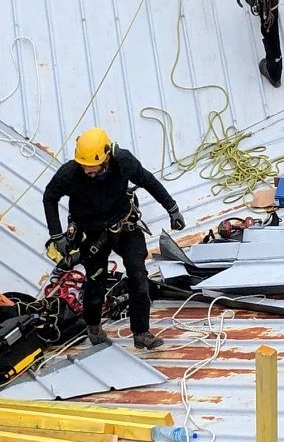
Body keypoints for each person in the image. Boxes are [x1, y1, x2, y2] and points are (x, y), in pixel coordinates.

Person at [43, 128, 184, 351]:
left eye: (92, 166)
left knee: (138, 275)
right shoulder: (71, 173)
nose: (87, 170)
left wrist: (172, 209)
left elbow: (149, 181)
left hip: (123, 225)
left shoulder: (124, 162)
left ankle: (141, 333)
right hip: (91, 233)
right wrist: (56, 235)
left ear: (107, 156)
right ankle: (93, 326)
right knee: (95, 280)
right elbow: (50, 196)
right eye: (84, 165)